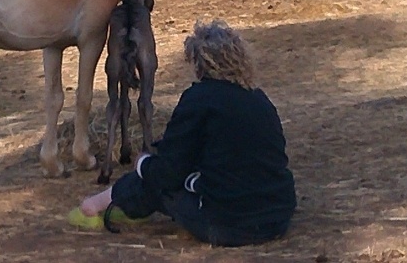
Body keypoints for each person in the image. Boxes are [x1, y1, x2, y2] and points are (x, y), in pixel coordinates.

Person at [68, 19, 297, 247]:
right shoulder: (259, 99)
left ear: (199, 63)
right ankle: (113, 201)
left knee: (156, 178)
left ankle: (96, 205)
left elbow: (168, 172)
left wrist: (143, 164)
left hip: (228, 225)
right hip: (277, 217)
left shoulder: (200, 99)